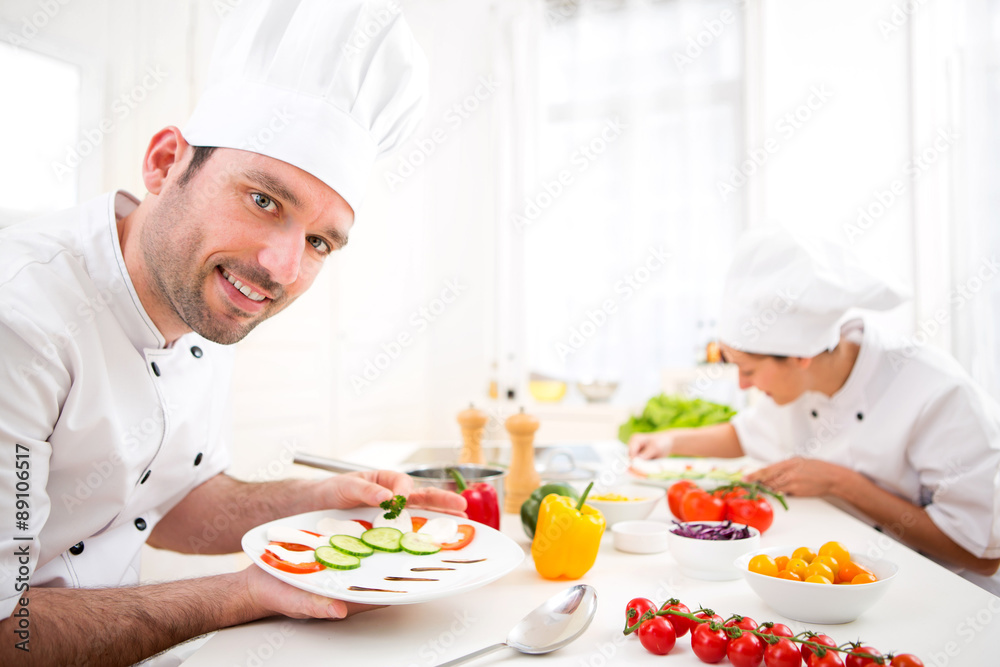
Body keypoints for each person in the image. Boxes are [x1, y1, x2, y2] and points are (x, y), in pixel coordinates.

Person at [0, 1, 466, 664]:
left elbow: (168, 504)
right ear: (165, 163)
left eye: (319, 241)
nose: (281, 267)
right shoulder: (20, 320)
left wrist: (327, 499)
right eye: (263, 200)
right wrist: (248, 592)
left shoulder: (200, 295)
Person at [629, 228, 1000, 593]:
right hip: (843, 575)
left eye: (749, 371)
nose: (742, 385)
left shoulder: (937, 391)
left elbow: (981, 555)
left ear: (800, 356)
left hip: (946, 590)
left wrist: (840, 482)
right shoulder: (803, 378)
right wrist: (669, 439)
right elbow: (743, 433)